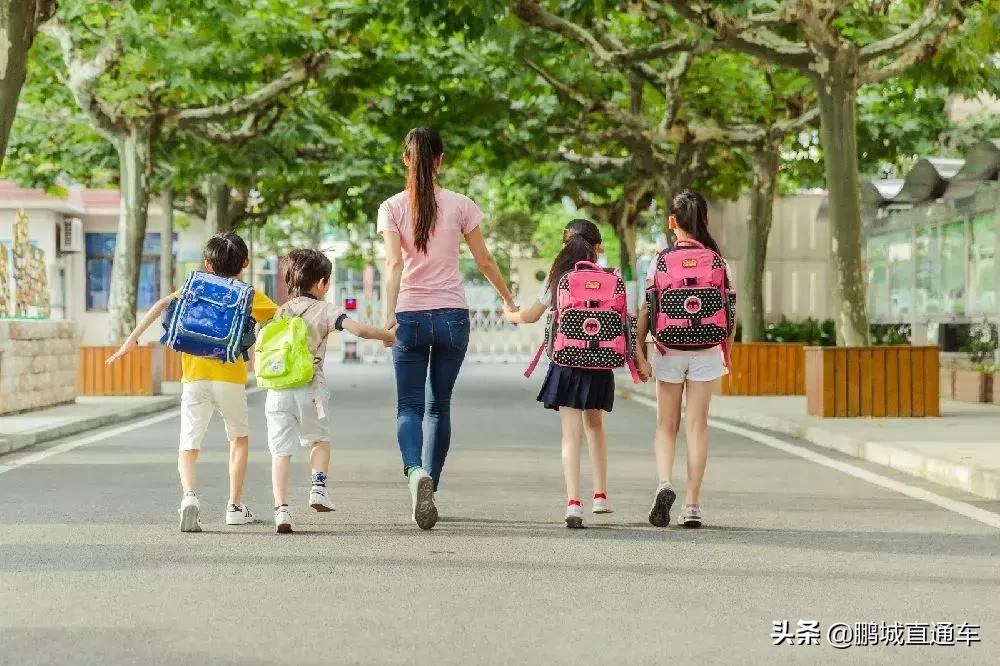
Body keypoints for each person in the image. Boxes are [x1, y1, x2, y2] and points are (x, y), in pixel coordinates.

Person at [378, 127, 517, 530]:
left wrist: (390, 314)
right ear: (439, 160)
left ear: (406, 159)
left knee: (408, 407)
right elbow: (485, 261)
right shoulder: (461, 205)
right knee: (439, 406)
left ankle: (414, 473)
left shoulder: (391, 207)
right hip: (453, 316)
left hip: (410, 317)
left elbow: (393, 264)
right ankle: (431, 486)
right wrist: (508, 301)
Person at [106, 233, 277, 532]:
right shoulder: (249, 294)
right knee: (238, 439)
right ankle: (235, 506)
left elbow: (161, 304)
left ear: (208, 264)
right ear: (246, 263)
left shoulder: (193, 286)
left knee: (189, 442)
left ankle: (189, 497)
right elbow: (281, 317)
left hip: (194, 377)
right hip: (230, 376)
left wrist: (130, 342)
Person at [265, 249, 395, 534]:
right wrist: (388, 336)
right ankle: (317, 489)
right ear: (322, 283)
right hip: (310, 389)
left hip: (277, 391)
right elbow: (358, 331)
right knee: (319, 440)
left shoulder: (281, 311)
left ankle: (282, 510)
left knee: (281, 452)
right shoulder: (326, 310)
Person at [635, 190, 736, 529]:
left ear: (672, 222)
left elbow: (648, 308)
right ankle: (692, 504)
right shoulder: (719, 262)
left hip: (668, 349)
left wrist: (640, 349)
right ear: (704, 221)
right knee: (697, 427)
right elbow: (730, 316)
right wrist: (727, 353)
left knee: (667, 425)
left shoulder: (660, 261)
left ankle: (665, 482)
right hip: (706, 350)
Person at [505, 219, 615, 529]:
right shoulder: (608, 278)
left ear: (565, 245)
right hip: (599, 361)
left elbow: (530, 316)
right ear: (599, 247)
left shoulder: (558, 279)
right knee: (595, 426)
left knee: (570, 435)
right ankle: (600, 496)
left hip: (567, 362)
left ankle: (573, 504)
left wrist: (510, 314)